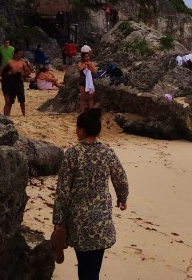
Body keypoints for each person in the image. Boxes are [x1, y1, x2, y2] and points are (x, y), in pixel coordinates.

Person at [52, 108, 129, 280]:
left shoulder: (72, 154)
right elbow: (120, 178)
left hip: (79, 222)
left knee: (84, 269)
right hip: (101, 221)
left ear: (82, 130)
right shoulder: (107, 152)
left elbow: (62, 190)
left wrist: (58, 221)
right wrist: (122, 198)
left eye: (77, 127)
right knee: (93, 269)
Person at [0, 51, 31, 116]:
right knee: (10, 100)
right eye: (19, 54)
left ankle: (24, 114)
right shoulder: (10, 62)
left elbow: (28, 71)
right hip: (10, 81)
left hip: (19, 81)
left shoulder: (23, 63)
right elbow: (2, 69)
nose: (21, 55)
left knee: (22, 99)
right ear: (15, 54)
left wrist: (22, 75)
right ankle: (7, 115)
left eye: (21, 54)